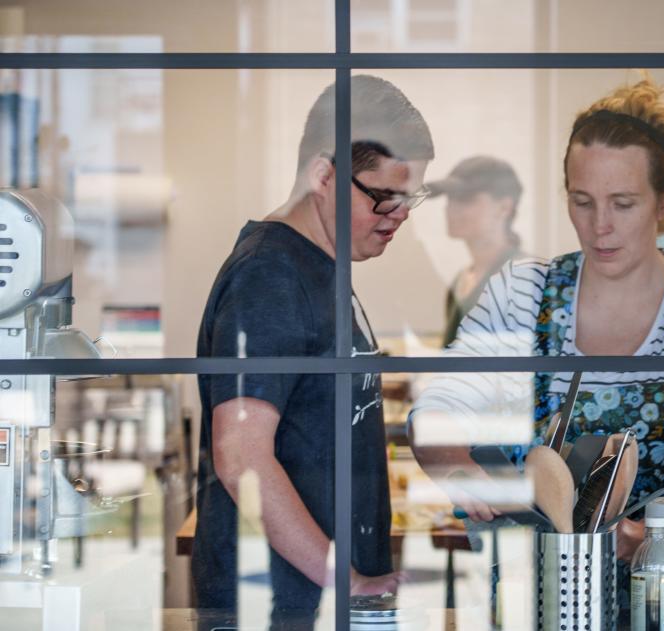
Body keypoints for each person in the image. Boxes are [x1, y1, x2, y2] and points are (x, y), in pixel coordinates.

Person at [407, 73, 664, 617]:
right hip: (528, 600)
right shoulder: (521, 293)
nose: (599, 226)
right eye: (582, 202)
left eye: (622, 203)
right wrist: (456, 467)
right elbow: (441, 409)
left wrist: (650, 534)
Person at [193, 75, 434, 631]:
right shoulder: (270, 275)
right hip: (280, 607)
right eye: (385, 197)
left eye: (410, 197)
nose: (400, 214)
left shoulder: (319, 267)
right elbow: (241, 456)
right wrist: (346, 581)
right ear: (323, 175)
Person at [427, 156, 524, 347]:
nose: (451, 208)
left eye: (466, 199)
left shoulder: (521, 277)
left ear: (504, 207)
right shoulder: (460, 280)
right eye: (450, 198)